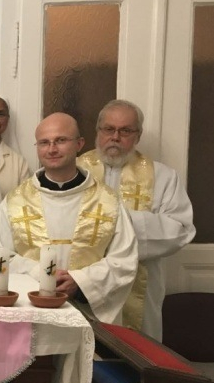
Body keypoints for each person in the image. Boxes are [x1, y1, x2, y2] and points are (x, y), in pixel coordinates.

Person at [0, 112, 138, 323]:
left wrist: (81, 282)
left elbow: (124, 259)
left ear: (79, 144)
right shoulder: (15, 201)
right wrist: (40, 274)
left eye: (60, 140)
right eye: (44, 142)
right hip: (30, 312)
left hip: (90, 316)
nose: (51, 149)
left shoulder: (108, 201)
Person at [77, 99, 195, 339]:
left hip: (139, 284)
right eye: (108, 129)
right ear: (98, 132)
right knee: (83, 348)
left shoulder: (163, 176)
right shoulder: (74, 171)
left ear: (138, 136)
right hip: (83, 281)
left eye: (125, 131)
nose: (115, 137)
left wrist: (119, 224)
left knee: (135, 351)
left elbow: (181, 229)